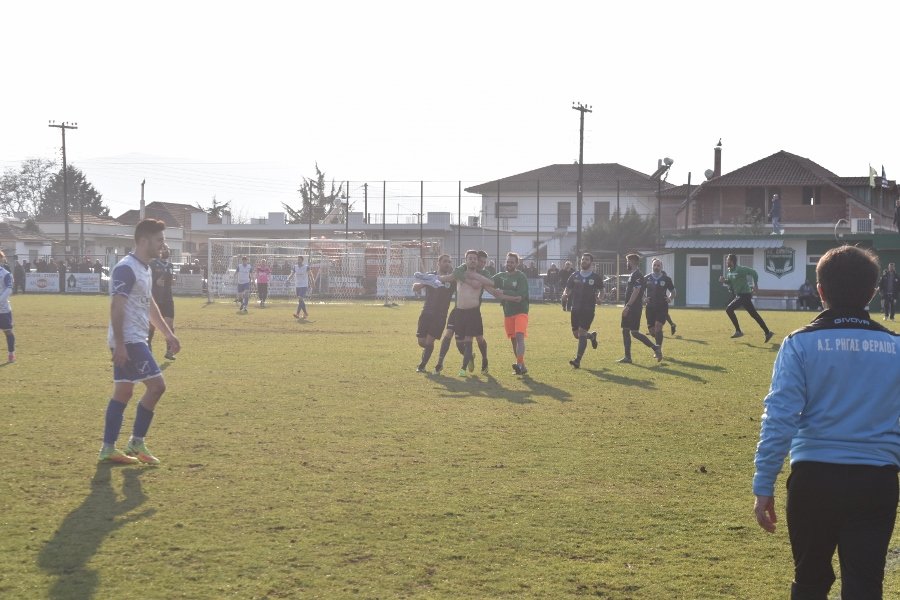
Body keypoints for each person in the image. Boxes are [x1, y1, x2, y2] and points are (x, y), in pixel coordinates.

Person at [753, 245, 900, 599]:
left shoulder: (799, 344)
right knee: (865, 586)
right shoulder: (895, 347)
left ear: (820, 291)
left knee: (810, 581)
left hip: (813, 480)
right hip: (876, 480)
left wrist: (764, 482)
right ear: (873, 293)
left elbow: (780, 418)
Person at [99, 218, 180, 465]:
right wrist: (121, 344)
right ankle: (135, 442)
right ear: (144, 240)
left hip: (136, 339)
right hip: (130, 341)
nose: (163, 245)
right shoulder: (126, 268)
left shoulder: (145, 267)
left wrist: (168, 334)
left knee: (123, 391)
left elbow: (150, 306)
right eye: (159, 240)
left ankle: (108, 449)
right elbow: (117, 306)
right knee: (157, 387)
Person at [412, 254, 455, 373]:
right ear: (439, 263)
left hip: (440, 316)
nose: (448, 264)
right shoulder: (430, 276)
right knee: (422, 342)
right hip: (426, 312)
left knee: (429, 341)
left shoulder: (452, 280)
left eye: (449, 262)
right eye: (445, 261)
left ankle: (422, 365)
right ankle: (426, 353)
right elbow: (414, 288)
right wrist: (424, 284)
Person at [561, 253, 604, 368]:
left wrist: (600, 298)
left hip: (588, 309)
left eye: (586, 259)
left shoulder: (595, 277)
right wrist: (565, 295)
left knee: (581, 332)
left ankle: (577, 360)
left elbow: (601, 290)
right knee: (577, 335)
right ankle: (592, 337)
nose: (584, 261)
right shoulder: (574, 275)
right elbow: (568, 288)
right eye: (583, 259)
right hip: (575, 308)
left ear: (591, 262)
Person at [719, 253, 774, 342]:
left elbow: (754, 273)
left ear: (732, 261)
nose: (726, 261)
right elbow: (730, 282)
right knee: (754, 315)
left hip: (744, 295)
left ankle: (738, 331)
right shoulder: (729, 271)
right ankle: (768, 332)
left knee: (729, 309)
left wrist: (755, 285)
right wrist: (724, 280)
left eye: (727, 260)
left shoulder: (740, 269)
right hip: (740, 295)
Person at [619, 253, 662, 364]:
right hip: (630, 307)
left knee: (634, 332)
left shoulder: (638, 275)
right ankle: (627, 357)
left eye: (628, 261)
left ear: (633, 262)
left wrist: (628, 306)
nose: (627, 263)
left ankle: (655, 348)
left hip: (633, 308)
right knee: (625, 330)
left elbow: (637, 291)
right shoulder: (633, 274)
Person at [493, 252, 529, 375]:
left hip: (521, 311)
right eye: (508, 261)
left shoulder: (521, 277)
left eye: (512, 262)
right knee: (513, 340)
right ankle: (522, 367)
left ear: (516, 263)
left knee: (519, 337)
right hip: (508, 312)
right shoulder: (501, 276)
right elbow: (488, 282)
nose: (509, 264)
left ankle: (519, 364)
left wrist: (503, 293)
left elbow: (520, 297)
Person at [148, 244, 177, 360]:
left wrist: (173, 281)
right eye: (164, 248)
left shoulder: (170, 265)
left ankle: (169, 351)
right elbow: (149, 280)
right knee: (152, 325)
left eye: (167, 248)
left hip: (168, 298)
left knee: (169, 324)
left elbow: (169, 281)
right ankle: (148, 344)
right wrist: (156, 282)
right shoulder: (152, 264)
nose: (166, 250)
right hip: (156, 298)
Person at [644, 258, 675, 354]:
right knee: (653, 331)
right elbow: (639, 290)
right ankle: (657, 342)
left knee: (658, 327)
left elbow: (673, 291)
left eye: (658, 265)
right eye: (655, 265)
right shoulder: (646, 278)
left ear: (661, 267)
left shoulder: (666, 279)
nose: (656, 267)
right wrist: (644, 298)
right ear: (652, 266)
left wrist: (670, 298)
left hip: (662, 307)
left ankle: (658, 350)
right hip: (650, 308)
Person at [0, 250, 15, 362]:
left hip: (3, 309)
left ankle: (11, 354)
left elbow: (9, 289)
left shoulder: (6, 274)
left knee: (8, 332)